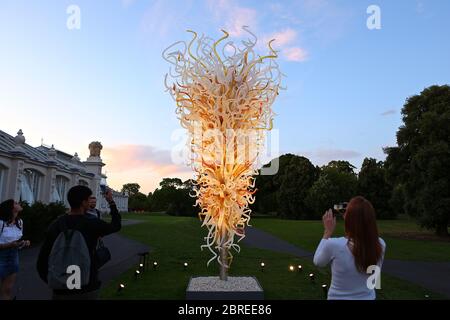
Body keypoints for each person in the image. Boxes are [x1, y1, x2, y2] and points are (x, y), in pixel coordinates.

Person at [36, 185, 121, 300]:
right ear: (83, 202)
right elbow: (116, 226)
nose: (90, 201)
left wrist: (55, 280)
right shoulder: (92, 224)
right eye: (88, 199)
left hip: (60, 290)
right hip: (87, 286)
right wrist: (111, 202)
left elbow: (42, 261)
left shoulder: (56, 224)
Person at [313, 196, 386, 300]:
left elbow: (318, 262)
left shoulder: (334, 245)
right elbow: (373, 281)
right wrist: (353, 213)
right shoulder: (381, 244)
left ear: (349, 219)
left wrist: (327, 232)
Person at [0, 200, 31, 300]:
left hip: (13, 256)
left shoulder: (19, 222)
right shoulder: (1, 223)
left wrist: (23, 243)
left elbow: (16, 242)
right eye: (16, 203)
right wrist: (10, 245)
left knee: (7, 289)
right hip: (1, 256)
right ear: (11, 208)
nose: (19, 203)